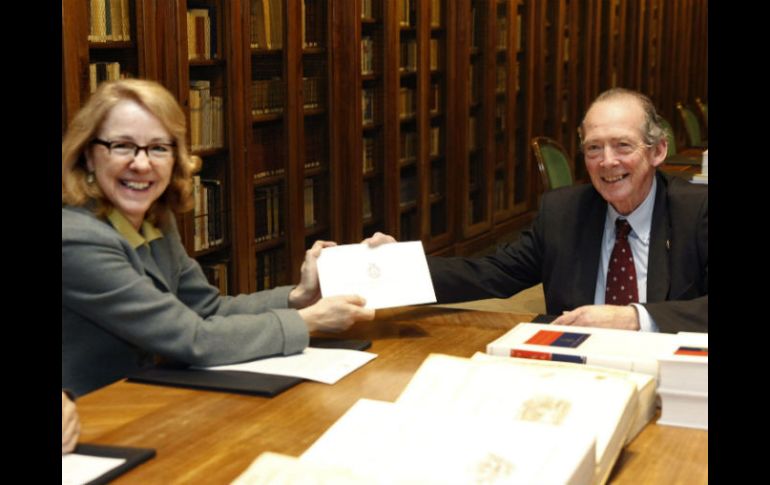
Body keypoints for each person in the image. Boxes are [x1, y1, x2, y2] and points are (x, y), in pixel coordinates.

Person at [62, 79, 374, 396]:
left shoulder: (155, 218)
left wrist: (299, 298)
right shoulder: (75, 239)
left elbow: (207, 310)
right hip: (87, 419)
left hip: (144, 399)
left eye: (158, 147)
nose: (142, 164)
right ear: (89, 155)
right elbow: (192, 337)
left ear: (175, 157)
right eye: (122, 146)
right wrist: (309, 321)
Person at [366, 88, 707, 333]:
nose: (607, 162)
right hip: (577, 367)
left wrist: (634, 318)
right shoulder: (564, 213)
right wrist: (397, 267)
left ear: (658, 151)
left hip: (669, 371)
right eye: (593, 148)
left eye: (623, 145)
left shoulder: (696, 211)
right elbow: (486, 272)